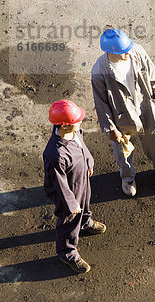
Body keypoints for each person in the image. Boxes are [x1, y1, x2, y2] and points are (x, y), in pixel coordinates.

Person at [91, 28, 155, 196]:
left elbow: (152, 74)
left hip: (145, 107)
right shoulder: (99, 70)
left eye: (127, 49)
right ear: (110, 51)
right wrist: (110, 128)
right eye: (122, 52)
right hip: (121, 116)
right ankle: (128, 178)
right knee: (123, 150)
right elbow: (101, 103)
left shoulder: (137, 52)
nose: (127, 53)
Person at [43, 100, 106, 273]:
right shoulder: (55, 154)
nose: (80, 122)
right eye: (75, 121)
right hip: (68, 191)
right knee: (68, 221)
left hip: (81, 180)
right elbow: (59, 183)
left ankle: (85, 222)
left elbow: (82, 147)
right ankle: (67, 253)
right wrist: (71, 204)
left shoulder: (74, 131)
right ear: (63, 125)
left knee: (85, 203)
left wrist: (89, 163)